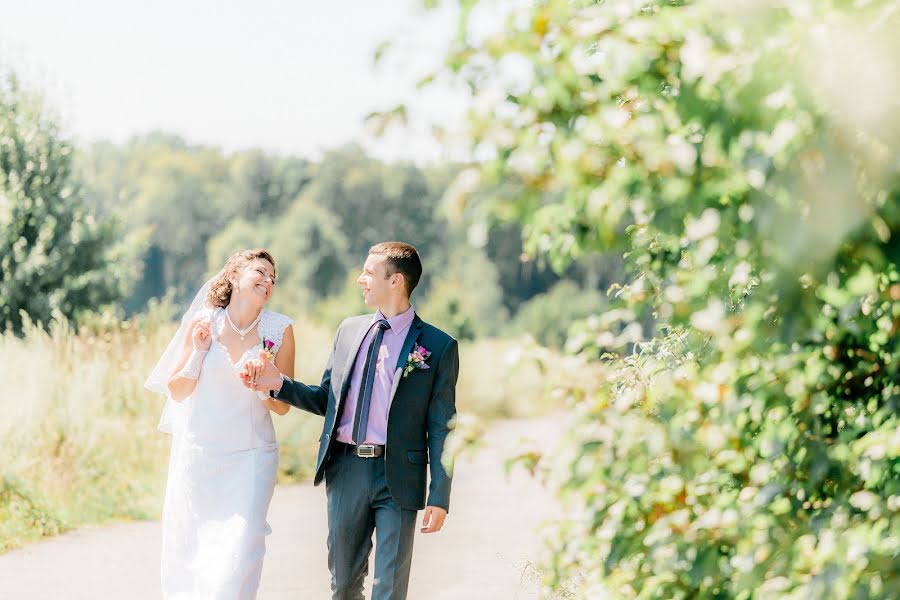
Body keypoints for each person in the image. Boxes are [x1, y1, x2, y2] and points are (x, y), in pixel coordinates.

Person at [243, 241, 459, 600]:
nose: (361, 279)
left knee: (388, 589)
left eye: (369, 273)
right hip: (346, 471)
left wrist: (440, 494)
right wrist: (277, 383)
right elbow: (328, 400)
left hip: (399, 479)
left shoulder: (438, 346)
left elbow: (442, 427)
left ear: (396, 282)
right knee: (343, 585)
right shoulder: (349, 330)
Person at [145, 248, 295, 599]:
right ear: (233, 277)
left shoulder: (280, 330)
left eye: (273, 277)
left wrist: (262, 385)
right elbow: (178, 391)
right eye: (260, 272)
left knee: (241, 549)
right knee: (196, 553)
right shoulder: (204, 322)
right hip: (203, 456)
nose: (268, 280)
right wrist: (198, 351)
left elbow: (284, 406)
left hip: (252, 458)